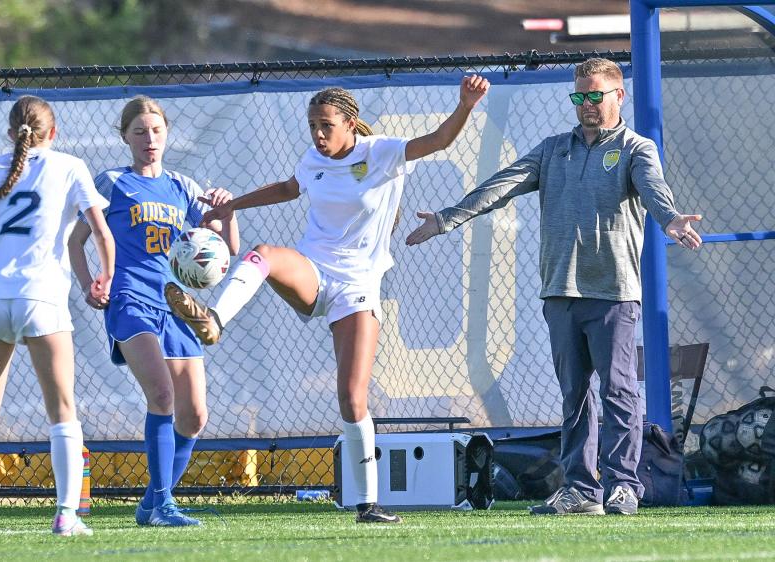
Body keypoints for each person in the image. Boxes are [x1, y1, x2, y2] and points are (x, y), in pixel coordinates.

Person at [164, 76, 490, 523]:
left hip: (358, 287)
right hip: (313, 272)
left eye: (326, 126)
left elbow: (438, 140)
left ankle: (368, 505)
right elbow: (287, 188)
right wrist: (231, 205)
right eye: (312, 126)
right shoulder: (312, 159)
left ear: (350, 124)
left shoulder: (381, 153)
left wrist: (466, 105)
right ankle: (214, 319)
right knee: (263, 255)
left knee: (352, 398)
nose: (318, 135)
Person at [406, 58, 703, 516]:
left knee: (619, 391)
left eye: (595, 96)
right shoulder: (552, 150)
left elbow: (653, 189)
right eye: (579, 97)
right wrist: (447, 218)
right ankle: (581, 490)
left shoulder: (635, 148)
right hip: (560, 294)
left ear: (618, 96)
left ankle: (623, 485)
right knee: (574, 396)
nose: (586, 105)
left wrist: (671, 220)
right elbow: (501, 186)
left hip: (613, 293)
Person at [68, 96, 239, 527]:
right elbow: (76, 241)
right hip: (130, 301)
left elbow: (226, 248)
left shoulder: (183, 186)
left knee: (195, 415)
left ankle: (151, 503)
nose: (150, 139)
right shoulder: (111, 183)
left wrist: (226, 209)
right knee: (161, 395)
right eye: (140, 131)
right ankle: (163, 505)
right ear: (124, 136)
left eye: (157, 130)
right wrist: (90, 283)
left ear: (167, 134)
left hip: (177, 306)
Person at [0, 95, 115, 536]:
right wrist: (104, 279)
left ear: (10, 131)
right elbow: (101, 233)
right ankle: (67, 515)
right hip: (41, 298)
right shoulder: (69, 165)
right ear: (52, 133)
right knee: (62, 411)